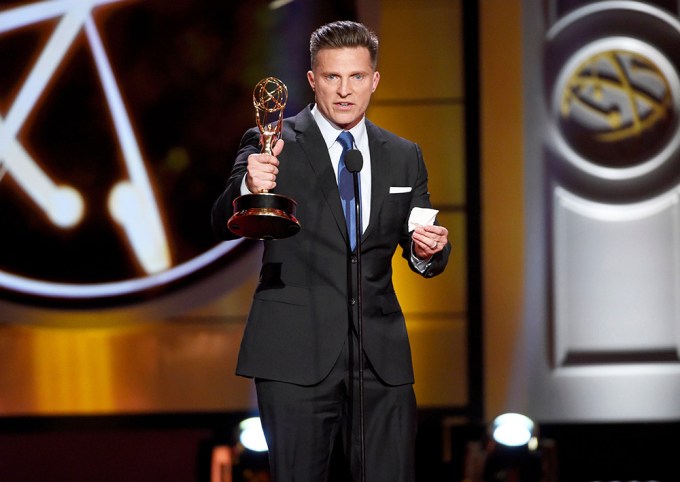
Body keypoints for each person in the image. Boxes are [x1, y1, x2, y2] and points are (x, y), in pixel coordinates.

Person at [212, 20, 451, 482]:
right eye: (332, 77)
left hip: (380, 359)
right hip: (295, 355)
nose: (345, 91)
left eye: (356, 77)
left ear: (374, 80)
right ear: (312, 80)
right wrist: (248, 185)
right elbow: (220, 219)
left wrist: (429, 249)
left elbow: (423, 251)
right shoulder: (273, 143)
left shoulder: (404, 155)